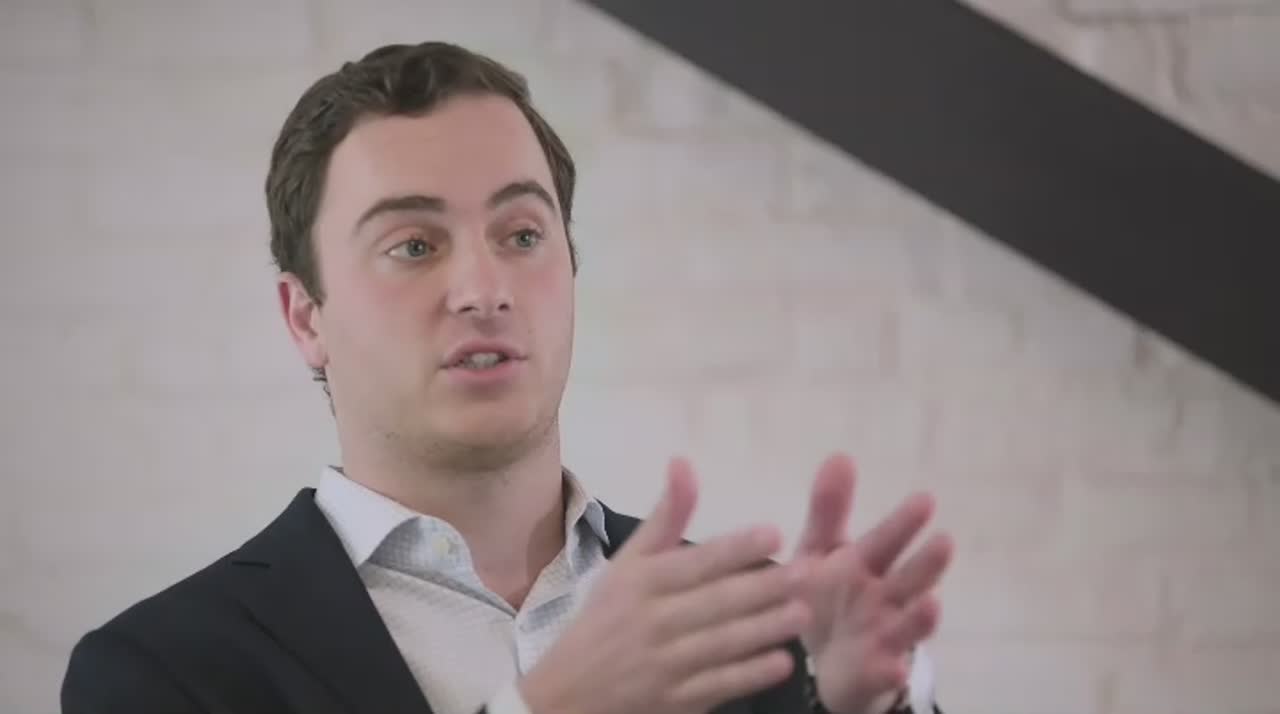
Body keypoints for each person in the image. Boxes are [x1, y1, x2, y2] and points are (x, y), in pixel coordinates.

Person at [61, 41, 954, 714]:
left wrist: (864, 706)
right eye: (414, 246)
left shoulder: (754, 629)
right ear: (306, 318)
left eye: (522, 235)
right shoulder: (160, 670)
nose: (484, 288)